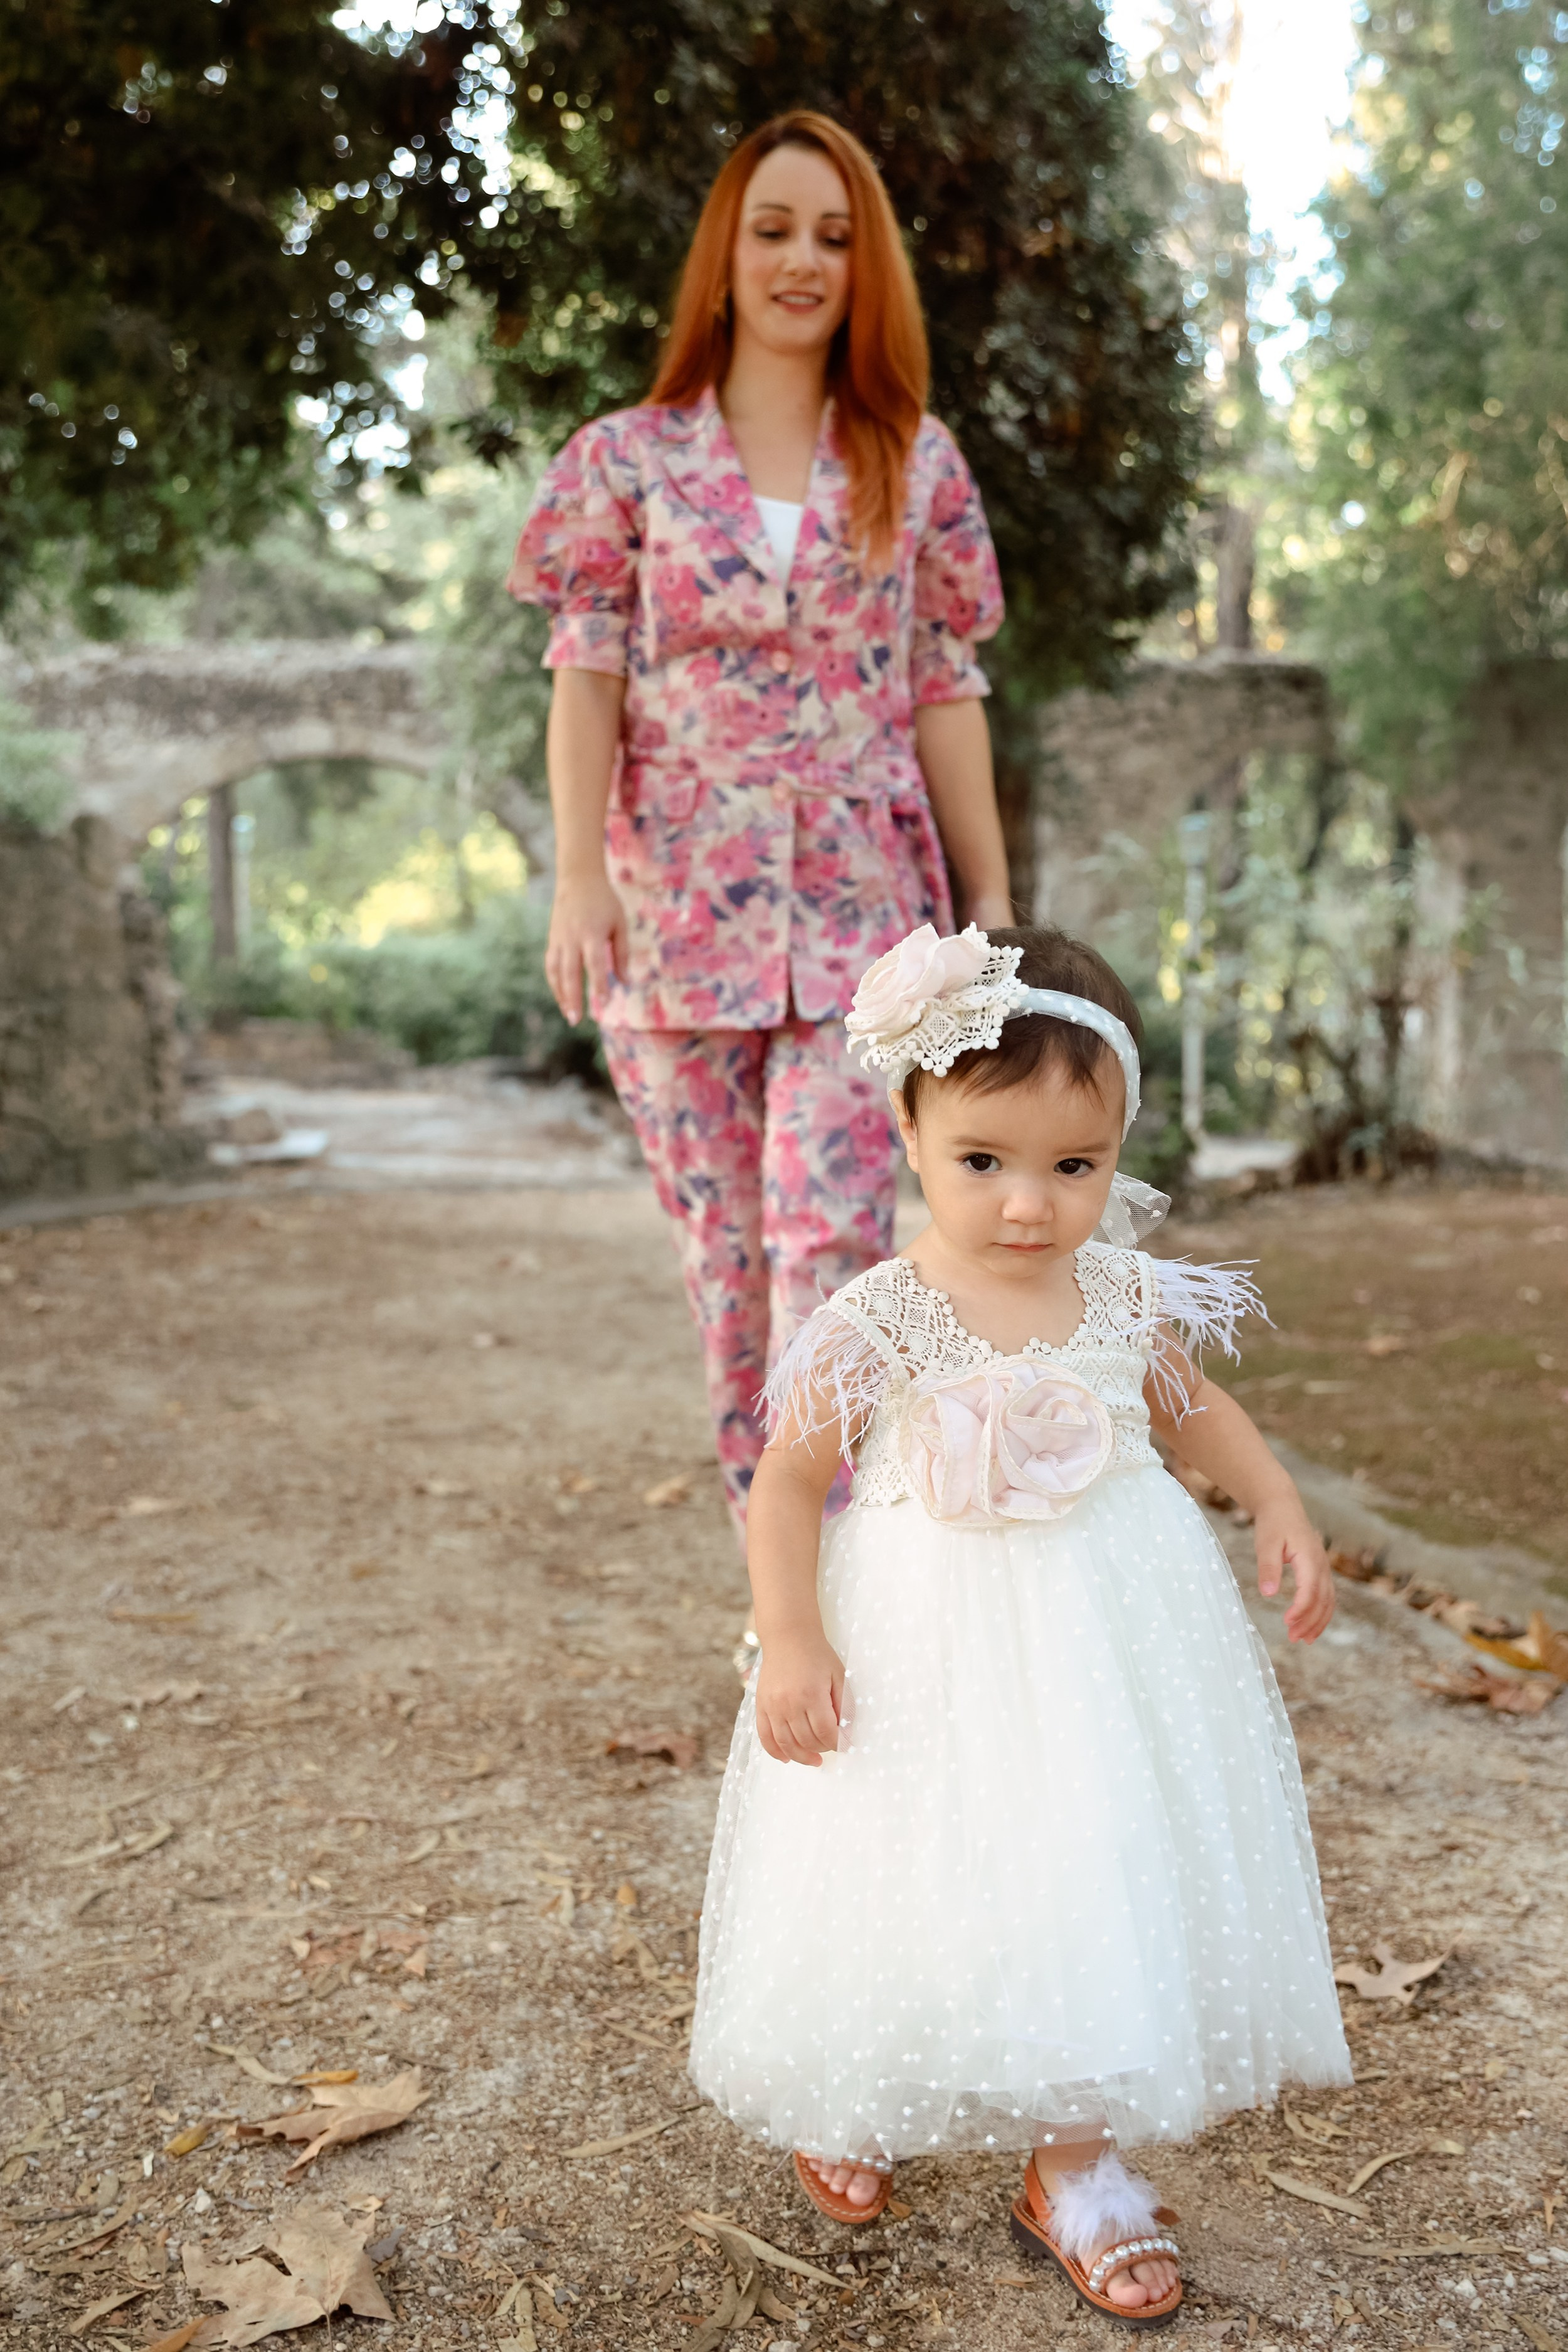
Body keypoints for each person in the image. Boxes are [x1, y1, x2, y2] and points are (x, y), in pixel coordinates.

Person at [689, 922, 1352, 2327]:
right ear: (908, 1125)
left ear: (1117, 1150)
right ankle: (854, 2079)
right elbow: (791, 1478)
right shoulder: (881, 1314)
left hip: (1110, 1629)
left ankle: (1075, 2161)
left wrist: (1277, 1503)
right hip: (931, 1630)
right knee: (913, 1849)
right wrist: (790, 1636)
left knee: (1088, 1853)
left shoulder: (1115, 1289)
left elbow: (1193, 1408)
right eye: (983, 1161)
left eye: (1076, 1167)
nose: (1028, 1206)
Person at [506, 113, 1012, 1540]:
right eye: (775, 228)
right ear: (724, 256)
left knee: (831, 1250)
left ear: (867, 272)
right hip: (668, 919)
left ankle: (845, 1562)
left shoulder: (918, 468)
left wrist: (990, 905)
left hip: (868, 926)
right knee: (726, 1267)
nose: (804, 260)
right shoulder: (623, 463)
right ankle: (774, 1584)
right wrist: (574, 881)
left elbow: (944, 684)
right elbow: (585, 671)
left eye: (835, 238)